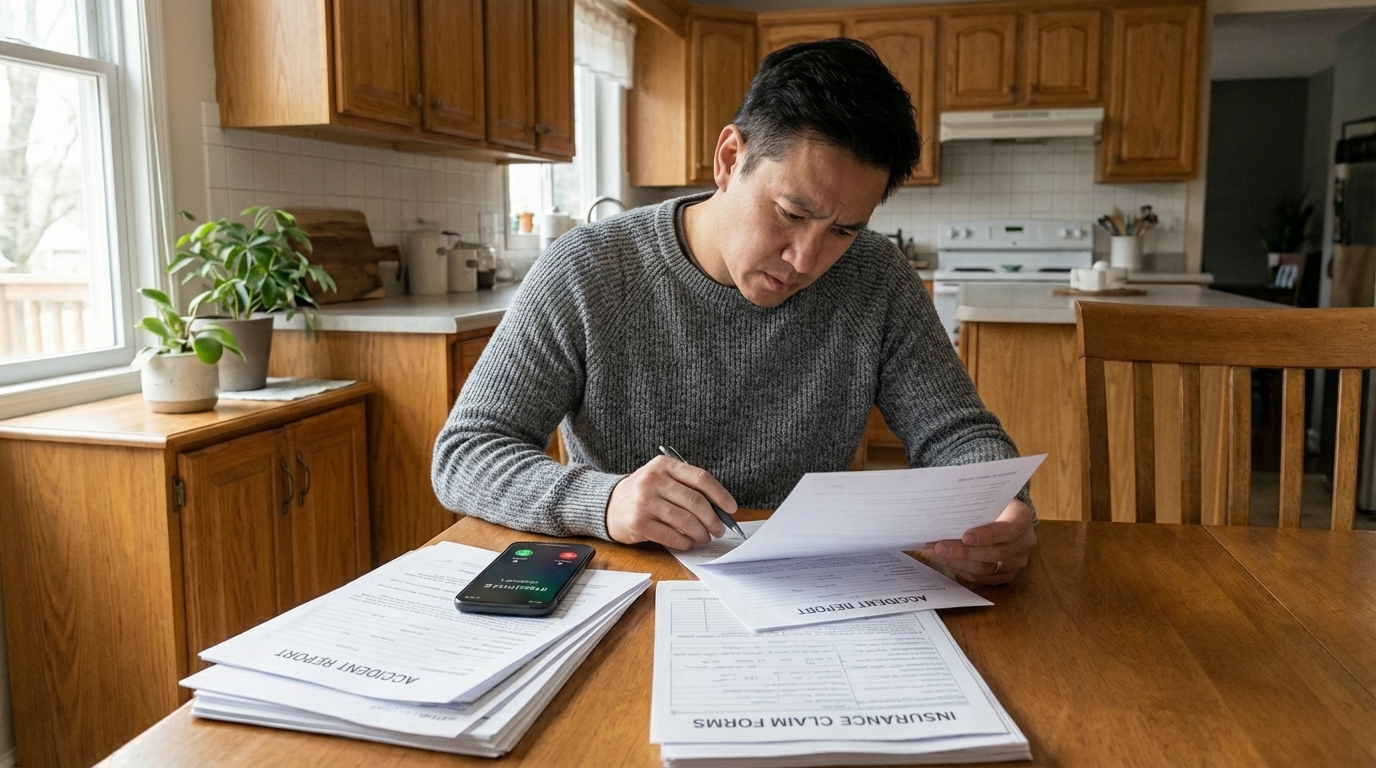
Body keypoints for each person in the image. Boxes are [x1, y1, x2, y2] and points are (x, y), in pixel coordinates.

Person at [432, 39, 1036, 585]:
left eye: (843, 230)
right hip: (628, 586)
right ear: (728, 158)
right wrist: (607, 500)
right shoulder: (588, 269)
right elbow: (467, 452)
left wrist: (1000, 508)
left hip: (807, 589)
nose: (806, 259)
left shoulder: (876, 277)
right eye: (792, 213)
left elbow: (958, 434)